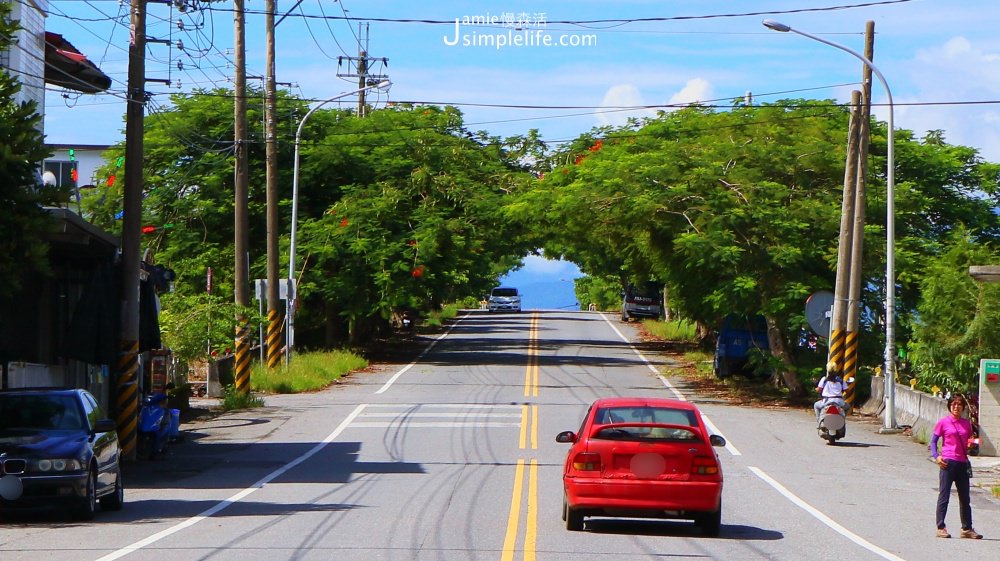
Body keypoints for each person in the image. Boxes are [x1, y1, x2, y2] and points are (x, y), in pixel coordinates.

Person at [929, 394, 983, 539]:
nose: (956, 407)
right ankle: (941, 527)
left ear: (963, 407)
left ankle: (967, 528)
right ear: (949, 406)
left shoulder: (966, 424)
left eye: (959, 404)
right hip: (948, 463)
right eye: (953, 404)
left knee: (965, 498)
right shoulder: (943, 422)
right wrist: (937, 456)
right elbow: (933, 442)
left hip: (962, 463)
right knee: (944, 495)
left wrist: (972, 444)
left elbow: (969, 442)